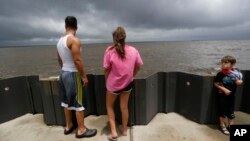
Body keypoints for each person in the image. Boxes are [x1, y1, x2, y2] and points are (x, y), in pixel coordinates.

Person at [57, 16, 97, 138]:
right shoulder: (74, 40)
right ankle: (81, 130)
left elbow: (59, 59)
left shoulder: (59, 41)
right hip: (73, 74)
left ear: (65, 26)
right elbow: (77, 60)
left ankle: (68, 126)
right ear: (76, 27)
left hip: (63, 73)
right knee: (78, 102)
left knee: (65, 102)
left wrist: (65, 69)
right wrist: (84, 76)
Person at [103, 26, 143, 140]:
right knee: (124, 107)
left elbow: (106, 69)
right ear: (124, 38)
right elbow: (139, 65)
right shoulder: (134, 50)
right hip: (128, 83)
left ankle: (114, 132)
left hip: (113, 85)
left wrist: (107, 82)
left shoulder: (109, 51)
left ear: (114, 39)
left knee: (109, 107)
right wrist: (132, 75)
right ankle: (124, 130)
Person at [214, 55, 243, 135]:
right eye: (222, 62)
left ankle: (231, 125)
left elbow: (239, 80)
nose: (223, 64)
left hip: (231, 96)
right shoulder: (220, 74)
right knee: (222, 111)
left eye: (226, 63)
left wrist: (240, 82)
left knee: (231, 111)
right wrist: (224, 89)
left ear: (232, 64)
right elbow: (216, 84)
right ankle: (222, 125)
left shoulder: (236, 72)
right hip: (222, 96)